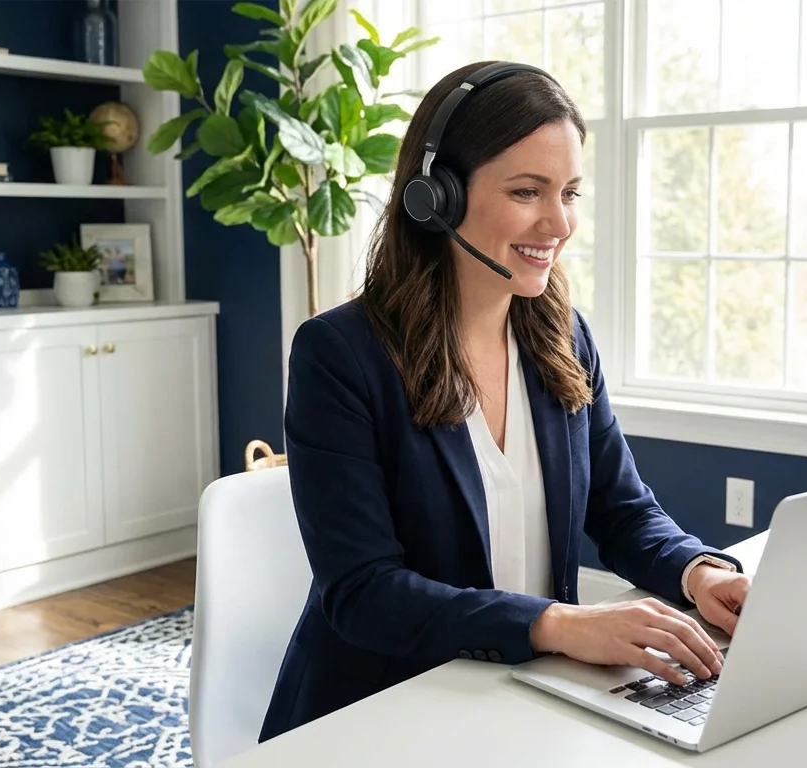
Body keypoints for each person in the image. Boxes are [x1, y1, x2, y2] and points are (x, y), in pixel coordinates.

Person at [258, 60, 753, 744]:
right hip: (382, 711)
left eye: (571, 192)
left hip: (527, 703)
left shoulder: (563, 336)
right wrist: (557, 625)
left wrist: (697, 572)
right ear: (438, 198)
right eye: (528, 191)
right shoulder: (341, 355)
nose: (559, 222)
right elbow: (363, 592)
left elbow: (622, 509)